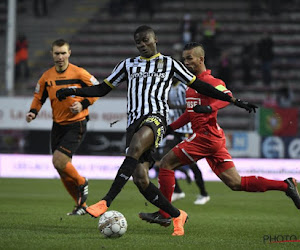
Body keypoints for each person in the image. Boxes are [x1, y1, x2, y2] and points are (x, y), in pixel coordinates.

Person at [56, 26, 257, 236]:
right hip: (133, 123)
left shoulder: (170, 64)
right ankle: (177, 214)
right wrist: (73, 91)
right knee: (141, 179)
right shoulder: (128, 65)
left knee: (134, 149)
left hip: (156, 119)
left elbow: (201, 86)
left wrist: (233, 100)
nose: (142, 44)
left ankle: (106, 201)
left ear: (155, 39)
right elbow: (102, 89)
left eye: (145, 40)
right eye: (138, 42)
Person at [138, 42, 300, 227]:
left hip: (206, 137)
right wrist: (170, 128)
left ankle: (164, 213)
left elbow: (226, 97)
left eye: (190, 58)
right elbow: (189, 114)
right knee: (235, 183)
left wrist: (209, 107)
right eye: (184, 59)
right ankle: (285, 185)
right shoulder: (191, 86)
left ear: (201, 59)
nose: (186, 62)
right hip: (212, 139)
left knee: (166, 163)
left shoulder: (212, 82)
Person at [26, 39, 99, 215]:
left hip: (76, 123)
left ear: (69, 53)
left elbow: (97, 89)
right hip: (58, 125)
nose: (60, 57)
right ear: (52, 54)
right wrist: (33, 112)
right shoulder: (47, 77)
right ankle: (80, 206)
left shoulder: (79, 73)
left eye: (63, 53)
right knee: (61, 169)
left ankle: (82, 181)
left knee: (58, 160)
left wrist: (83, 104)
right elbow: (39, 97)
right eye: (57, 53)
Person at [158, 79, 210, 205]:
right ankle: (177, 191)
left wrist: (173, 106)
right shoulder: (169, 87)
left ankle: (204, 193)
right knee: (164, 159)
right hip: (176, 130)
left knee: (192, 163)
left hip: (187, 129)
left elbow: (189, 106)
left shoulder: (184, 88)